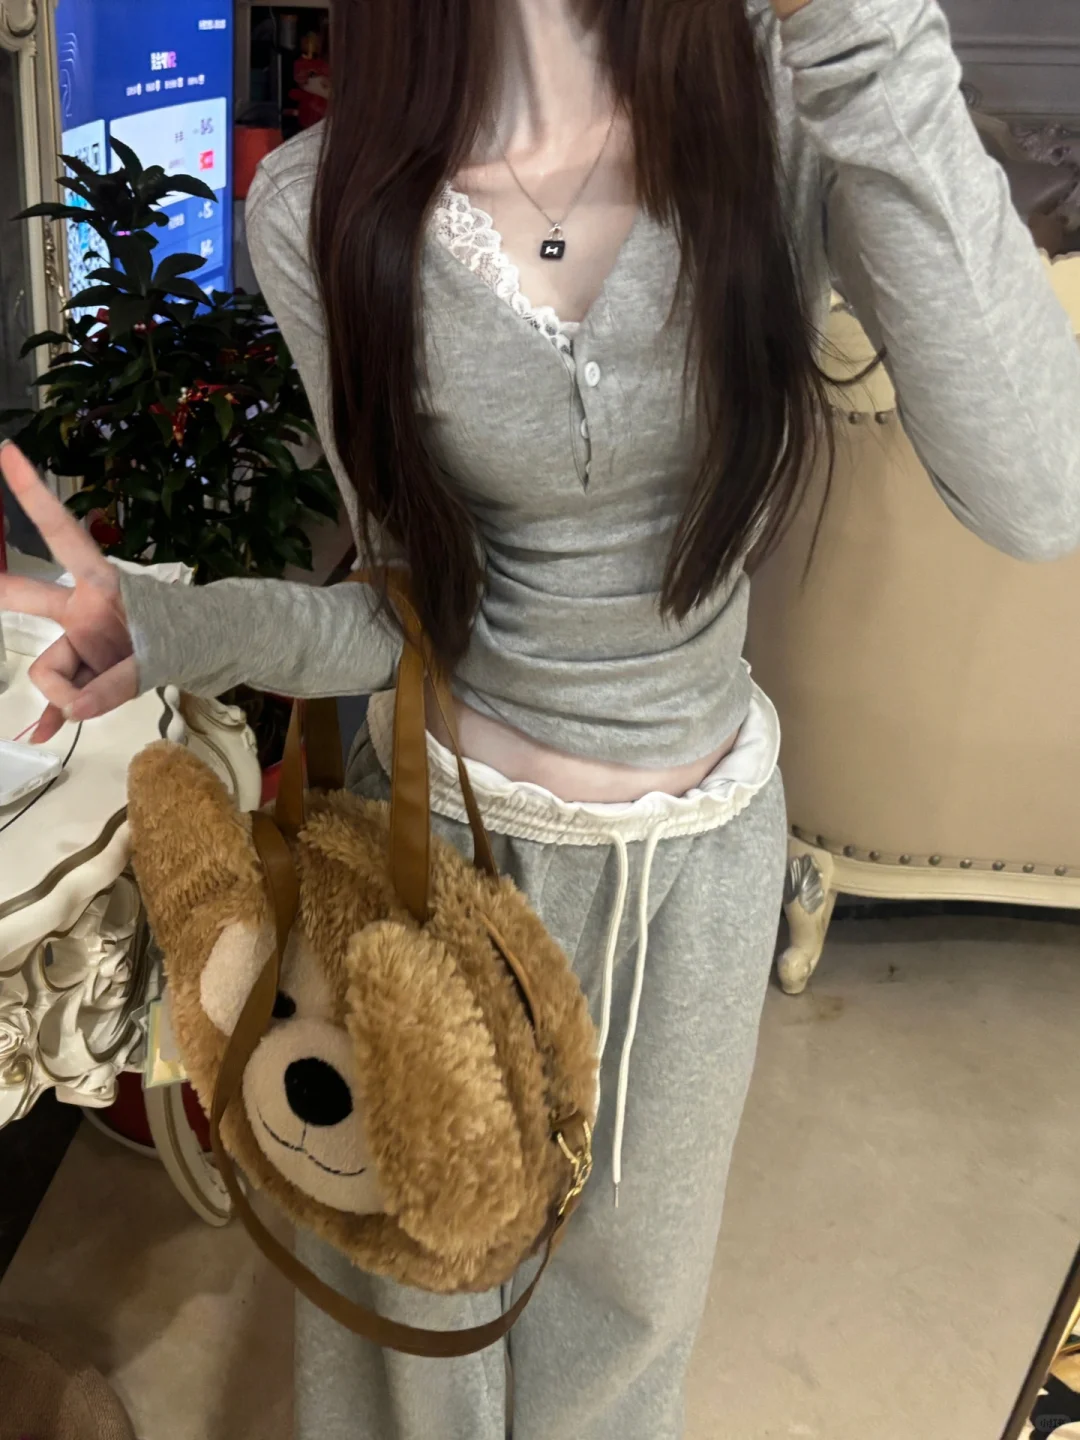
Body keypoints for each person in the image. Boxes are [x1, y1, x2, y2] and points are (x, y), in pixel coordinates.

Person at [3, 0, 1080, 1435]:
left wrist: (868, 37)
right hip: (437, 860)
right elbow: (406, 617)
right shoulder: (320, 206)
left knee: (626, 1342)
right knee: (413, 1336)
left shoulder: (789, 113)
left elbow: (1041, 490)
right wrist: (165, 625)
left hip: (697, 880)